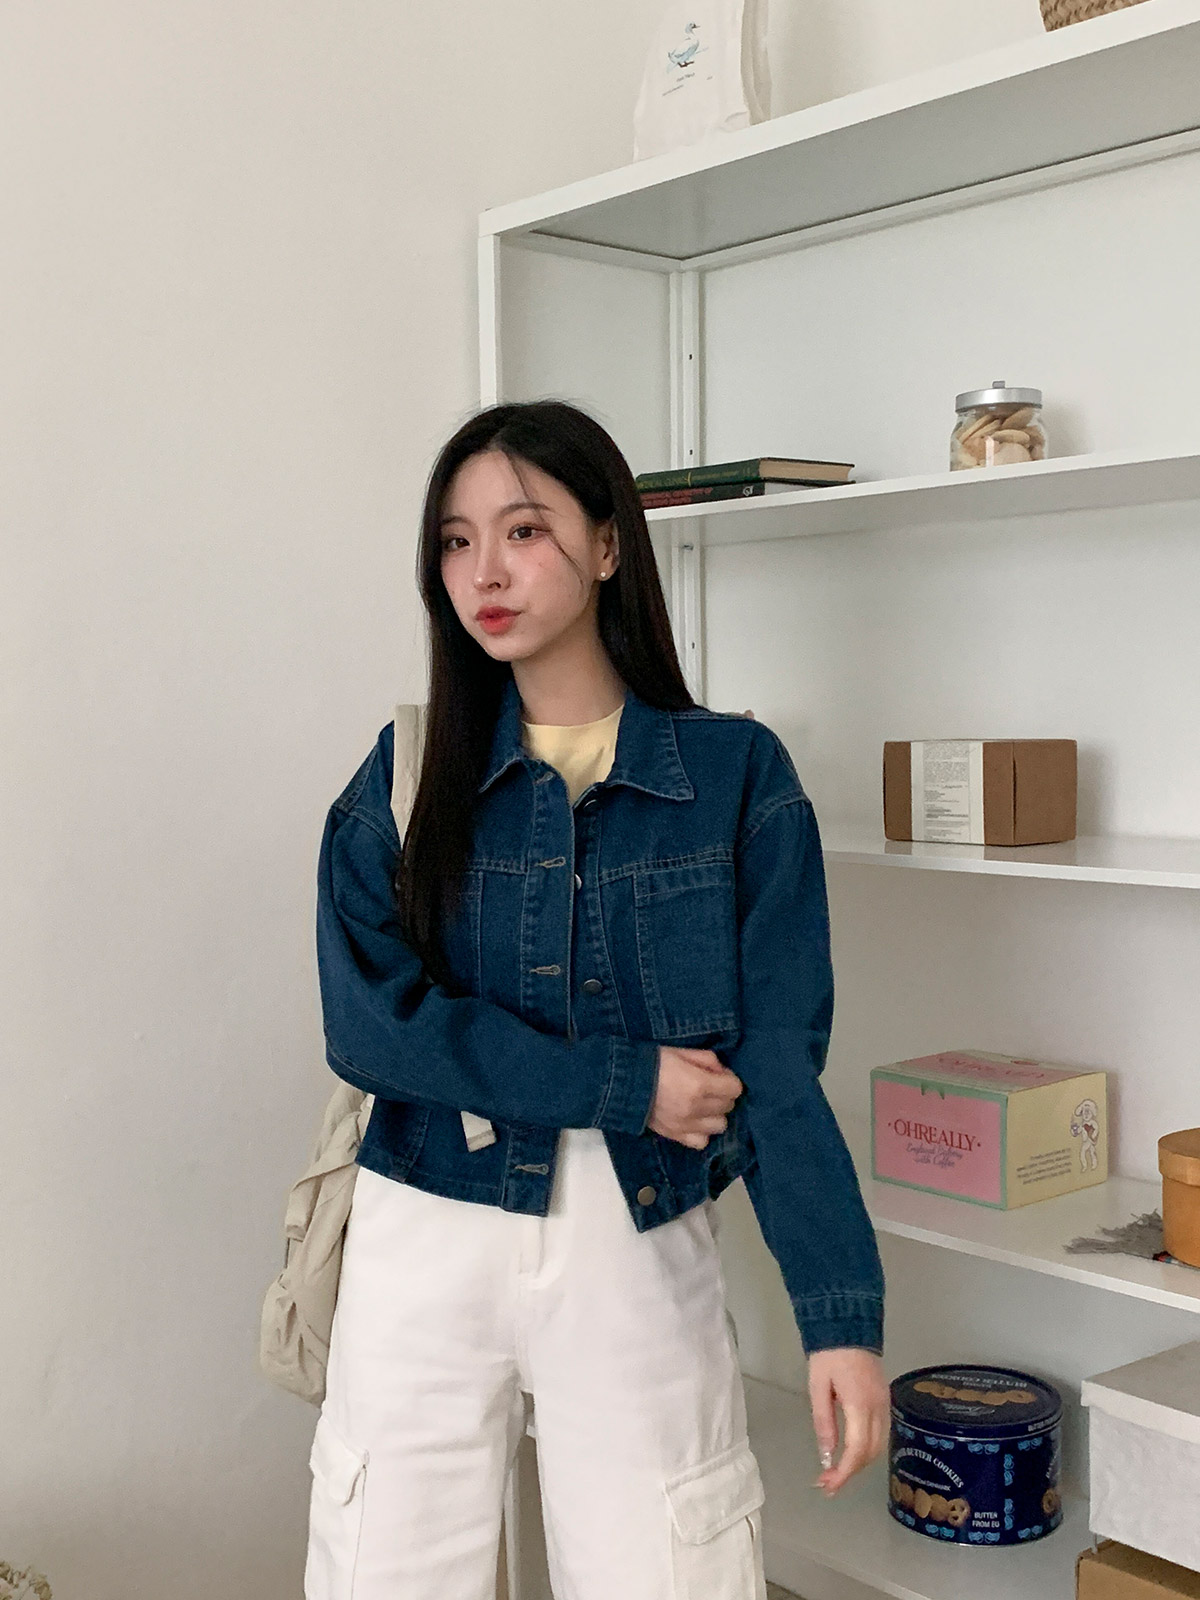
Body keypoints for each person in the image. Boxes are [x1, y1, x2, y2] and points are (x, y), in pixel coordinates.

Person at [306, 399, 887, 1599]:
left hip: (633, 1237)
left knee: (667, 1569)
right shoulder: (408, 774)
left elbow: (777, 1064)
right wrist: (624, 1081)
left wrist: (840, 1314)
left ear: (610, 542)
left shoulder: (736, 778)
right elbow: (369, 1029)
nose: (485, 571)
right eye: (456, 541)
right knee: (385, 1575)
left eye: (524, 530)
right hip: (426, 1227)